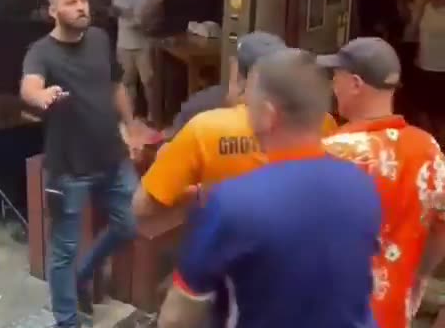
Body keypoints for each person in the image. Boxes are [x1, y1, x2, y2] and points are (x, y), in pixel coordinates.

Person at [153, 49, 384, 328]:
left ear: (268, 114)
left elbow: (182, 309)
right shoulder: (362, 185)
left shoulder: (233, 203)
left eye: (249, 101)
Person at [318, 38, 445, 328]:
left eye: (335, 77)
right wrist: (418, 274)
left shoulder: (330, 154)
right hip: (387, 324)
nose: (332, 86)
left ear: (355, 83)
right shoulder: (428, 150)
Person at [20, 0, 142, 328]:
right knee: (63, 251)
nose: (80, 7)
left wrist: (130, 124)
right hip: (68, 167)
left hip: (112, 157)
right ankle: (69, 327)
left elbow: (115, 85)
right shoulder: (41, 52)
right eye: (70, 3)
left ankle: (84, 277)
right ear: (53, 11)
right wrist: (40, 98)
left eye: (83, 0)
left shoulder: (101, 38)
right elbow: (30, 87)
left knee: (130, 223)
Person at [132, 31, 337, 221]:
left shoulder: (204, 128)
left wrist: (198, 194)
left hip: (226, 247)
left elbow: (142, 206)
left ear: (238, 76)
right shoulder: (322, 122)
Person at [112, 0, 159, 120]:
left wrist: (145, 21)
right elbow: (118, 10)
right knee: (127, 82)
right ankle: (129, 116)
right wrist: (134, 17)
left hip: (145, 42)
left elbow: (157, 12)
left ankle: (152, 116)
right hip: (124, 42)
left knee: (149, 82)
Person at [415, 0, 445, 144]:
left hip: (443, 69)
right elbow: (413, 32)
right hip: (424, 66)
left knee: (441, 114)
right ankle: (428, 144)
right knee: (422, 110)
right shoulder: (426, 7)